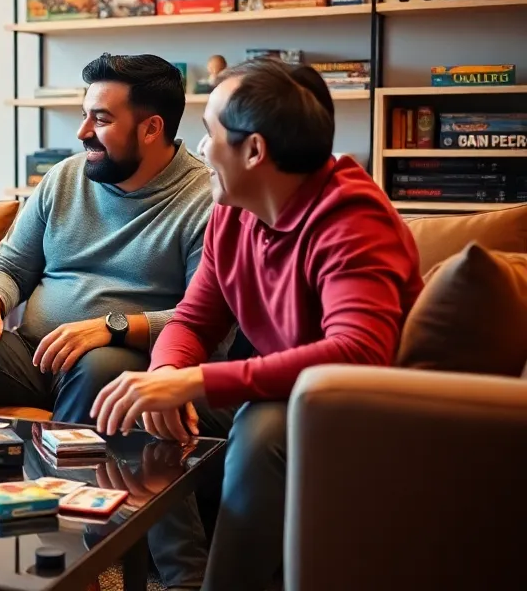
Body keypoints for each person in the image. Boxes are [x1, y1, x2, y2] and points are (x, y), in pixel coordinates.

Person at [92, 58, 423, 590]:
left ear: (254, 150)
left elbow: (359, 351)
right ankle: (178, 578)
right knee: (134, 394)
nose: (199, 150)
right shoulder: (234, 207)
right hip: (278, 392)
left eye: (209, 134)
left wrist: (195, 380)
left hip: (362, 410)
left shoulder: (352, 218)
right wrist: (167, 373)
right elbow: (194, 320)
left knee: (262, 423)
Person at [0, 53, 215, 424]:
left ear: (151, 129)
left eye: (101, 119)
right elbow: (9, 266)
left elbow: (206, 321)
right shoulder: (65, 177)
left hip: (118, 361)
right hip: (33, 353)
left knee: (102, 364)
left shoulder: (205, 200)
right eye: (85, 115)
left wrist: (111, 328)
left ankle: (58, 482)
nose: (82, 133)